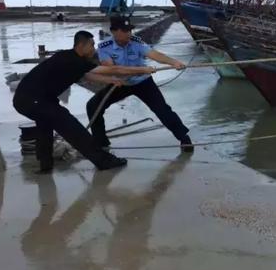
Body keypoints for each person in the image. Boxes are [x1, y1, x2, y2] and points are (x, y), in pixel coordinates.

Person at [13, 30, 155, 172]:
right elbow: (114, 69)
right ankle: (104, 161)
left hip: (33, 99)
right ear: (82, 45)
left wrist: (111, 80)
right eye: (92, 45)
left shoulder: (69, 57)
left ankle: (45, 165)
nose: (94, 49)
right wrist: (143, 69)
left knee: (45, 125)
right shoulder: (74, 61)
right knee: (72, 128)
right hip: (32, 100)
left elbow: (86, 75)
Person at [86, 16, 193, 153]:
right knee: (93, 105)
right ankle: (101, 143)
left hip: (143, 82)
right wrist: (139, 70)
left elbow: (154, 54)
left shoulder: (136, 42)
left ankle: (184, 138)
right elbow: (113, 70)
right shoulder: (104, 47)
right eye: (124, 31)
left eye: (129, 30)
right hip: (120, 84)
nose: (129, 34)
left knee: (162, 110)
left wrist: (174, 62)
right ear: (114, 31)